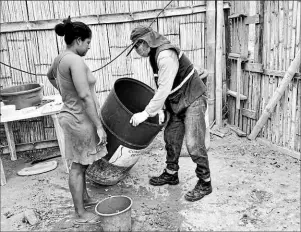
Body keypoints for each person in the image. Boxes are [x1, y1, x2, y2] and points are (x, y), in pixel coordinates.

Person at [128, 25, 212, 202]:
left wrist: (147, 112)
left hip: (193, 98)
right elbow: (166, 84)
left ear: (144, 42)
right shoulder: (154, 54)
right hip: (176, 101)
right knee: (171, 138)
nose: (136, 50)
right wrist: (164, 109)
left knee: (194, 143)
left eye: (136, 46)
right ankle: (171, 174)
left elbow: (164, 88)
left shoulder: (165, 55)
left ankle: (205, 182)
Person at [47, 16, 107, 224]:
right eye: (88, 42)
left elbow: (50, 76)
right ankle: (79, 213)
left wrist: (65, 94)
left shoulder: (60, 58)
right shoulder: (75, 60)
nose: (89, 47)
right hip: (79, 119)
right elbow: (84, 96)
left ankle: (85, 198)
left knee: (82, 162)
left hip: (72, 116)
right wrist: (99, 126)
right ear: (79, 40)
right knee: (78, 166)